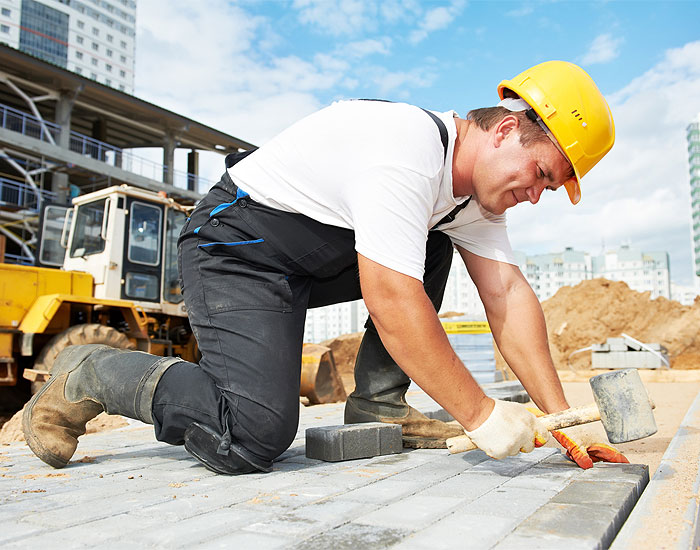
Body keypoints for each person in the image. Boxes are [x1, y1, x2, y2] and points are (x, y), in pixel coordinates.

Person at [23, 60, 628, 475]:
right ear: (504, 130)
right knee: (252, 437)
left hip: (305, 262)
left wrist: (561, 420)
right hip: (234, 250)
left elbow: (508, 297)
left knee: (435, 240)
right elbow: (391, 298)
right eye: (543, 175)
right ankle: (91, 371)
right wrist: (481, 414)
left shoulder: (470, 201)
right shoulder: (407, 150)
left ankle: (379, 403)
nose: (538, 194)